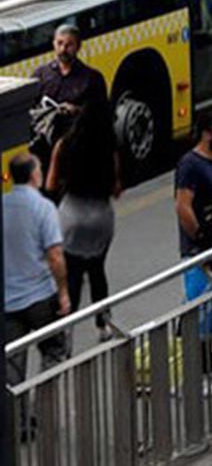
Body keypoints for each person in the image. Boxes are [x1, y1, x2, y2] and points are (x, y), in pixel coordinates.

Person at [46, 103, 120, 340]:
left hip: (71, 215)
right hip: (101, 217)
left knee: (73, 275)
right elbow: (117, 188)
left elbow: (50, 184)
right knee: (97, 270)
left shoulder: (64, 145)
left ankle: (67, 329)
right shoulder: (108, 147)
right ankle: (103, 324)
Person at [4, 153, 70, 414]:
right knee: (54, 353)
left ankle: (20, 420)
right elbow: (55, 255)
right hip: (41, 297)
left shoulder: (3, 205)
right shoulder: (43, 207)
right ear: (34, 175)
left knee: (13, 367)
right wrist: (63, 292)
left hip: (9, 302)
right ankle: (44, 409)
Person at [31, 24, 109, 173]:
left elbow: (103, 117)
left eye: (69, 45)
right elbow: (30, 109)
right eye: (59, 43)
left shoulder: (92, 78)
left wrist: (76, 110)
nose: (63, 49)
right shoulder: (41, 75)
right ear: (53, 44)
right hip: (45, 151)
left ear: (78, 46)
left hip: (79, 152)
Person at [175, 110, 212, 302]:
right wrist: (200, 238)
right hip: (197, 252)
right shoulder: (190, 164)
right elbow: (183, 206)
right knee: (199, 304)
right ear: (207, 135)